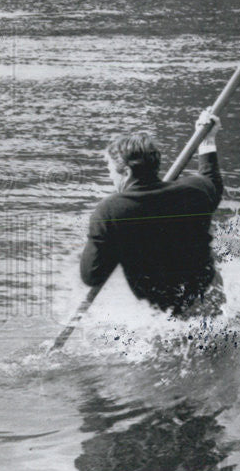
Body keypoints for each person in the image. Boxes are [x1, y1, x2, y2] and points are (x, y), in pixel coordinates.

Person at [80, 109, 225, 317]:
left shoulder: (110, 212)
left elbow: (91, 276)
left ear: (127, 172)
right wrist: (207, 141)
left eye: (110, 168)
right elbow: (214, 184)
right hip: (211, 300)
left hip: (165, 318)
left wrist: (108, 242)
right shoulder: (195, 190)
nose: (110, 175)